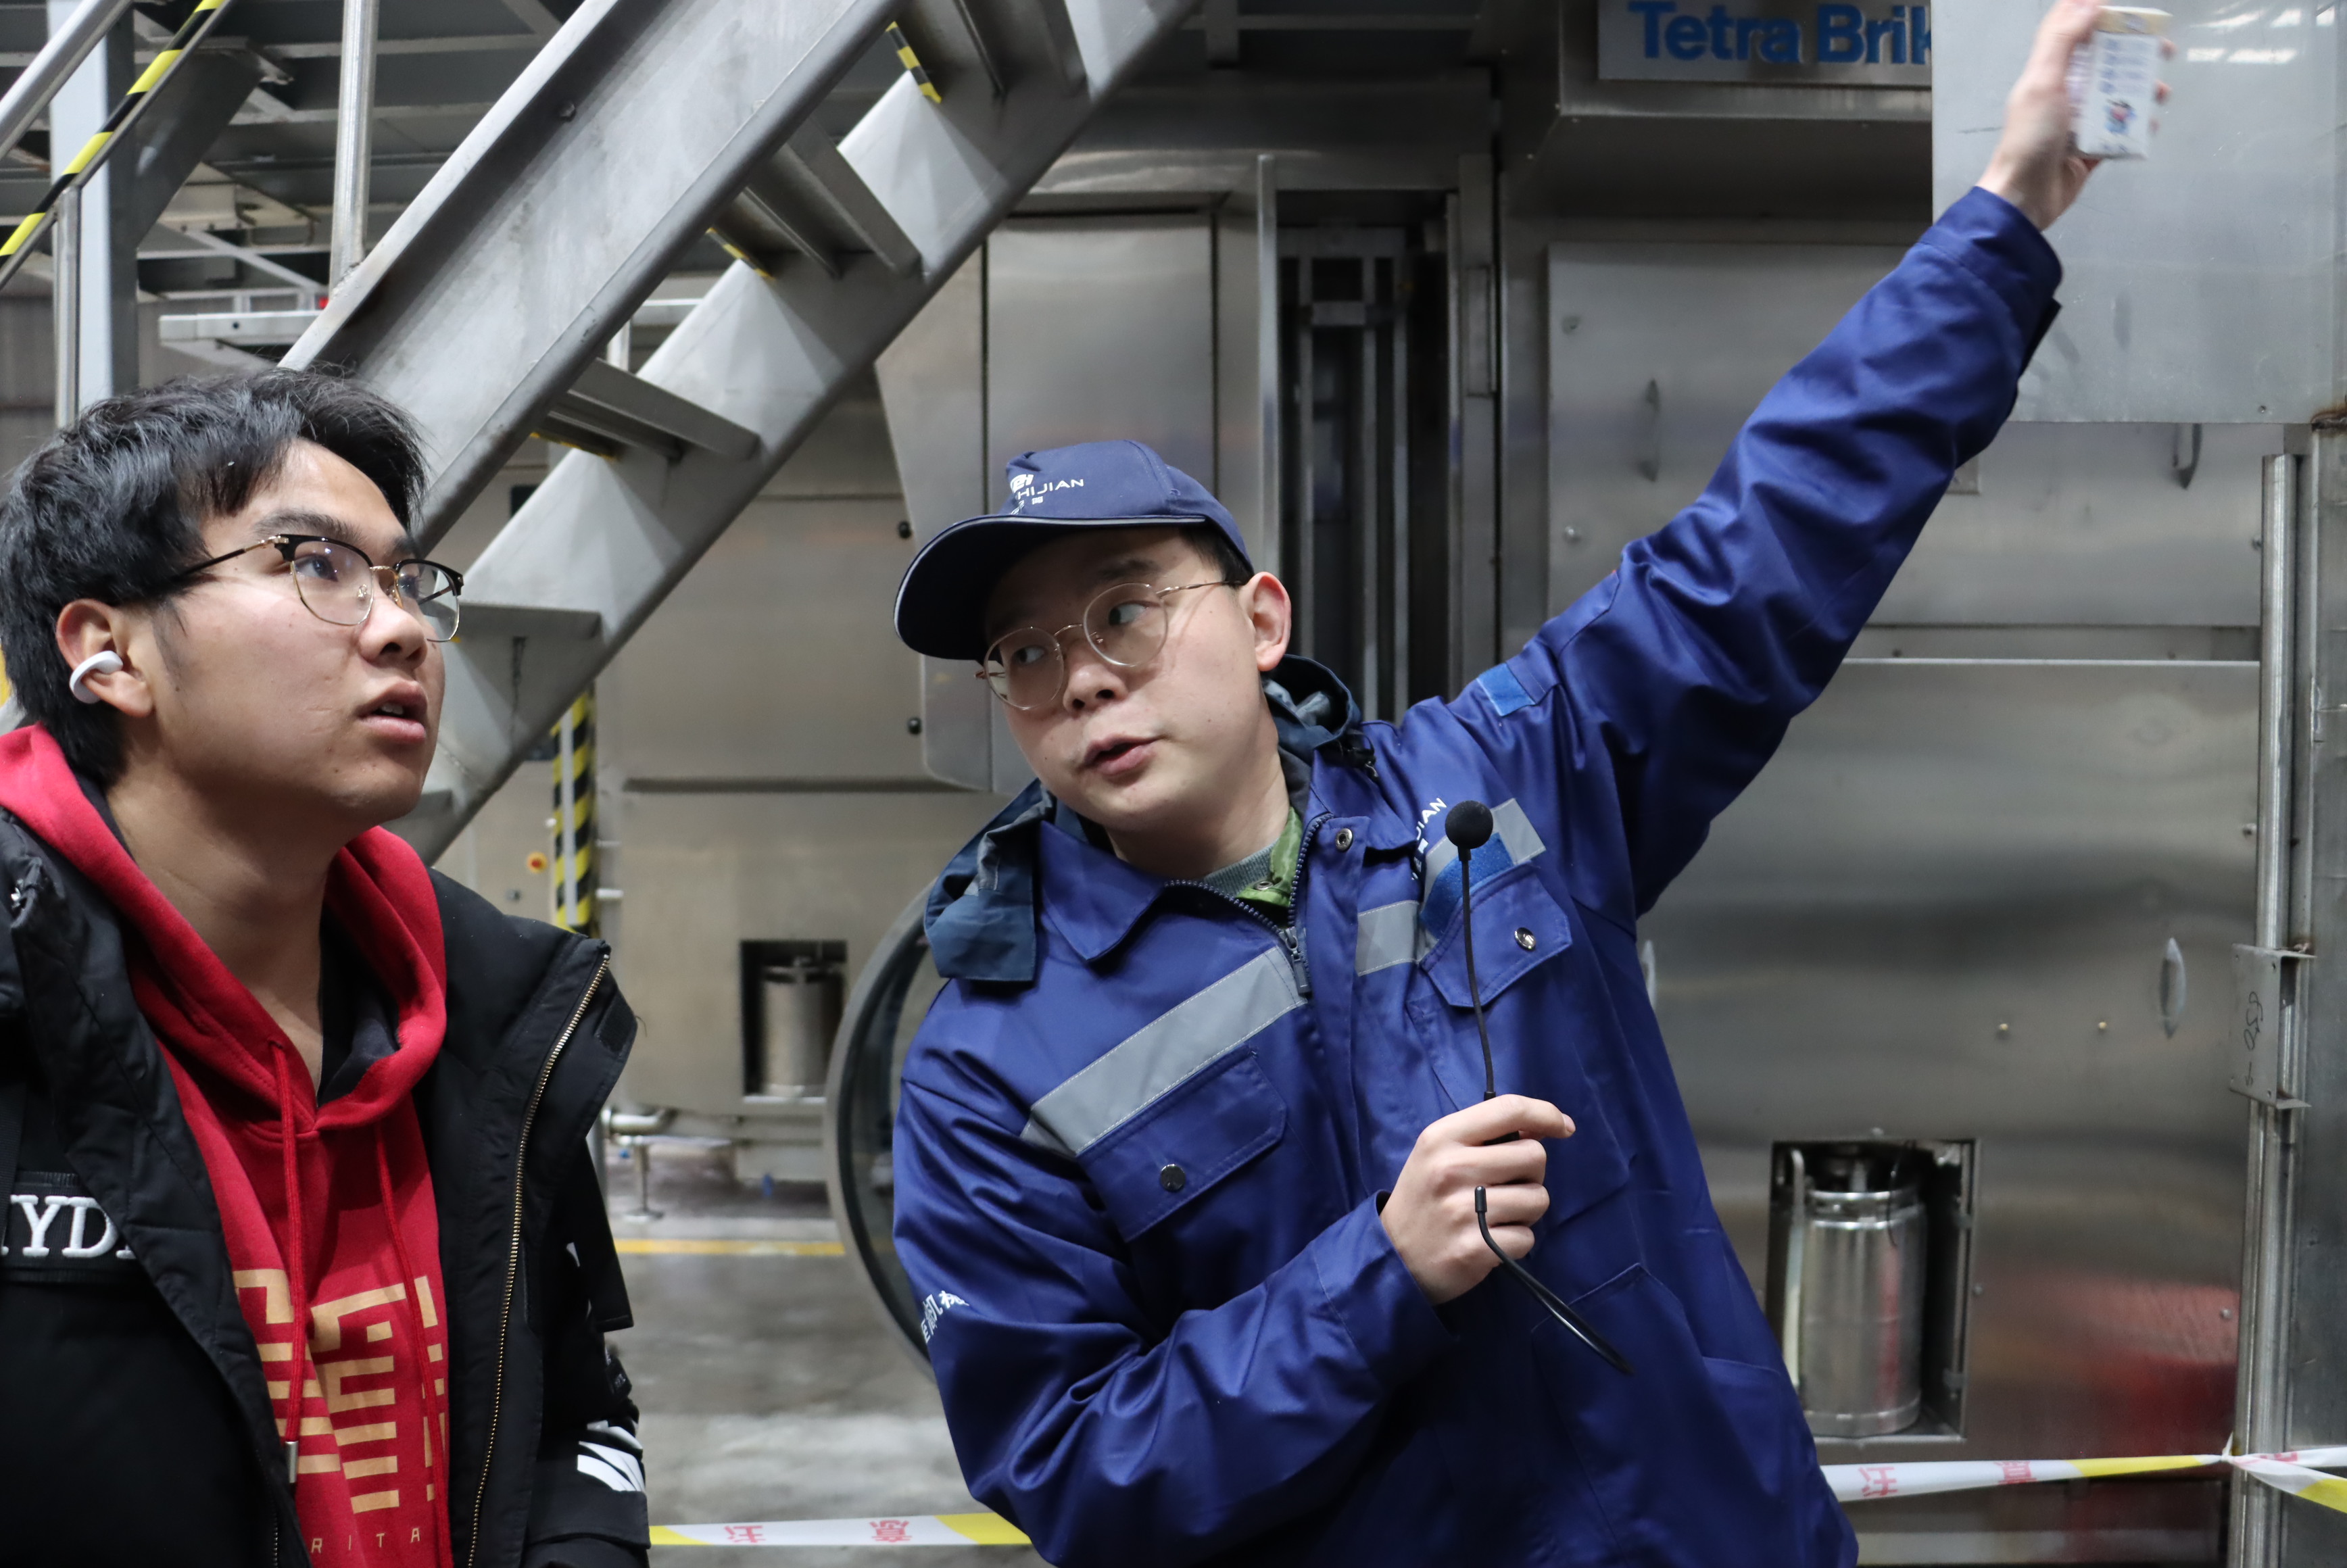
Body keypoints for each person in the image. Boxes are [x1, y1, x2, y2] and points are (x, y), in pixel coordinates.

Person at [884, 2, 2133, 1563]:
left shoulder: (1502, 782)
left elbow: (1770, 537)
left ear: (1260, 619)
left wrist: (2004, 219)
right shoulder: (988, 1068)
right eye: (1021, 653)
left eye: (1124, 611)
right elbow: (1071, 1466)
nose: (1077, 678)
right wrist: (1376, 1277)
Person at [0, 371, 647, 1568]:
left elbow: (573, 1421)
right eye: (316, 564)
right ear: (109, 653)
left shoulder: (498, 1012)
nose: (401, 628)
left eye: (404, 580)